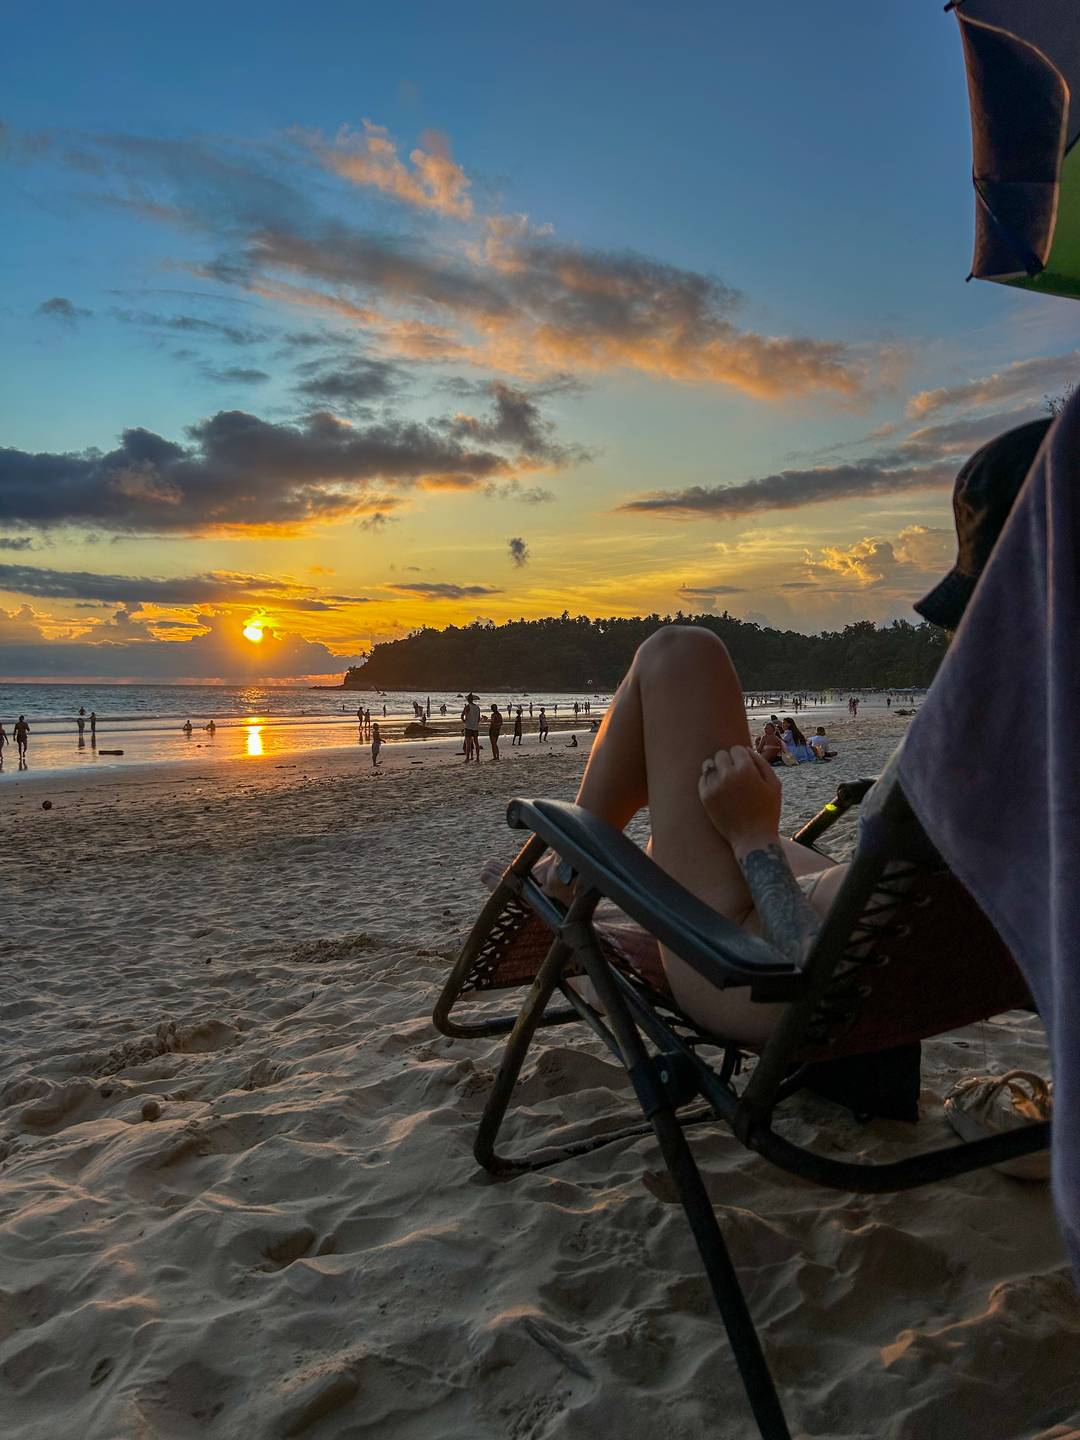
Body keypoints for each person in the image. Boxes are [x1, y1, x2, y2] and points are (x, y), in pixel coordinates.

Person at [461, 693, 481, 762]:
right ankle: (478, 758)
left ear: (468, 700)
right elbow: (478, 719)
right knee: (476, 743)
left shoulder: (467, 706)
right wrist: (475, 723)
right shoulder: (477, 707)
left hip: (468, 727)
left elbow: (462, 716)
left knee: (468, 743)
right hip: (475, 727)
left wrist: (464, 721)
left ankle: (467, 758)